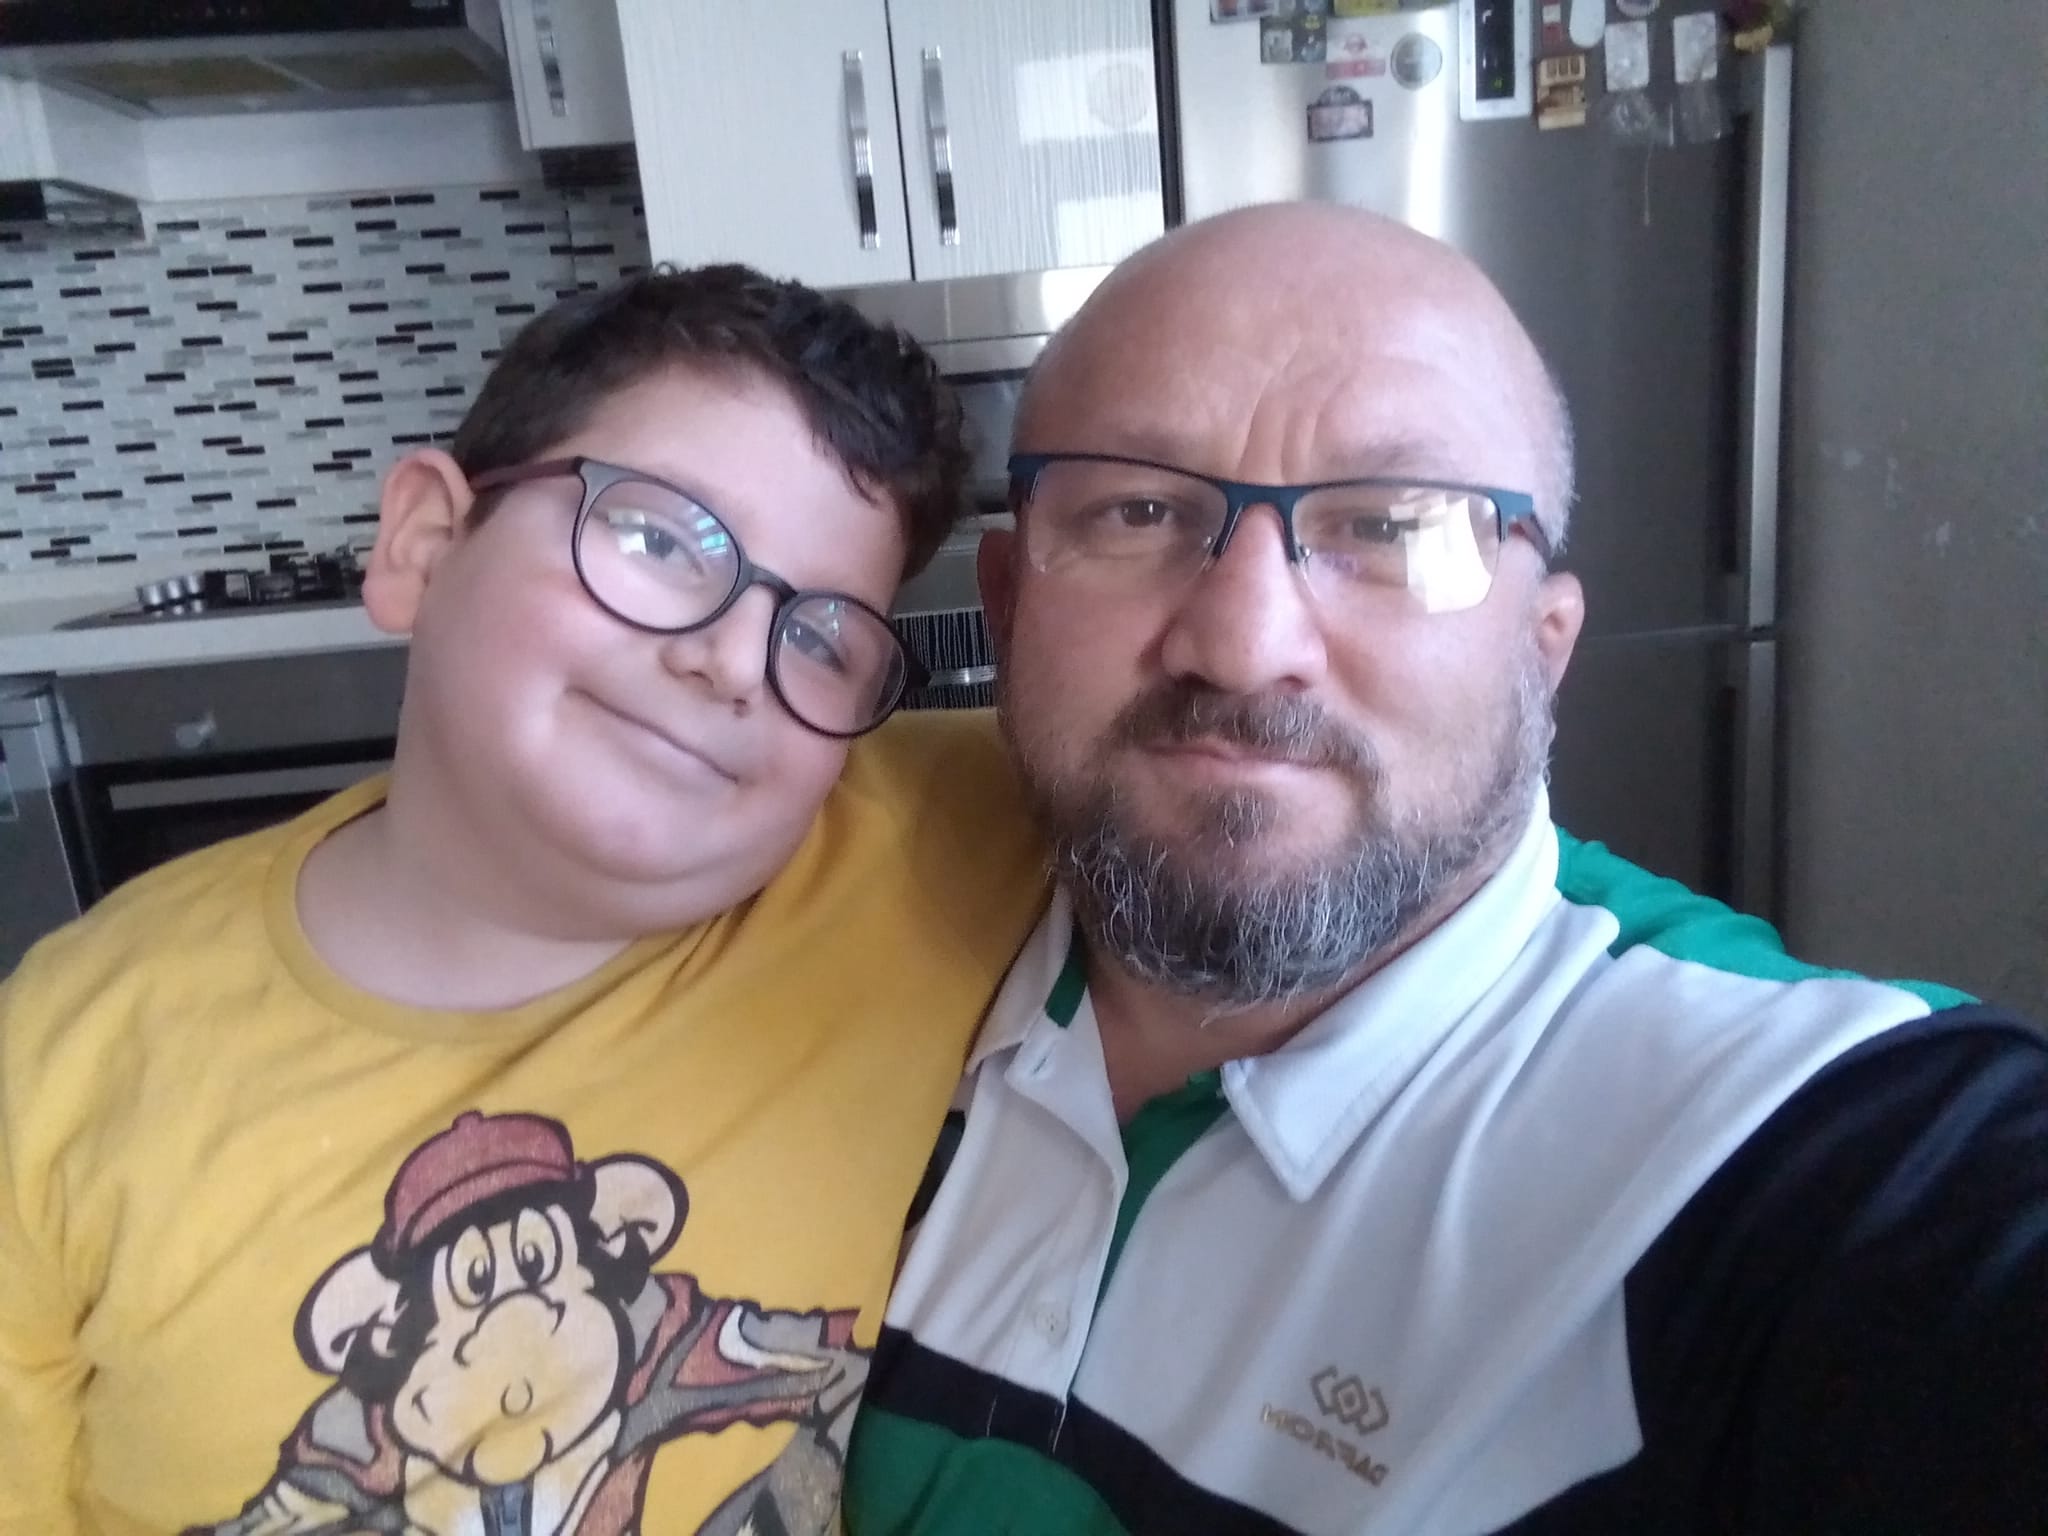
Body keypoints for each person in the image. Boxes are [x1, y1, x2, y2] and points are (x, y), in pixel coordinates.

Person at [841, 203, 2048, 1534]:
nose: (1243, 645)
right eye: (1137, 510)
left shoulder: (1803, 1144)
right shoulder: (831, 903)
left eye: (1390, 526)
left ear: (1543, 646)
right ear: (1007, 604)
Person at [0, 266, 1048, 1536]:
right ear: (424, 545)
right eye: (658, 539)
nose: (732, 659)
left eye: (821, 636)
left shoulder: (942, 842)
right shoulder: (59, 1071)